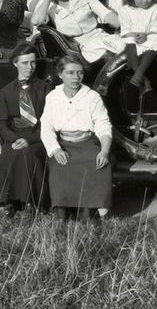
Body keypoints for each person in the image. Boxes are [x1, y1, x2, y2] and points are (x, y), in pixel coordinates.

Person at [40, 56, 113, 220]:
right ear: (60, 74)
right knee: (59, 166)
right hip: (64, 143)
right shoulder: (53, 96)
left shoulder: (91, 96)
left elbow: (103, 124)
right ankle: (62, 212)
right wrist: (56, 149)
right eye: (70, 73)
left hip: (87, 142)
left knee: (97, 163)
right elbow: (46, 127)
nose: (76, 77)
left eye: (79, 73)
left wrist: (104, 150)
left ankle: (89, 210)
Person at [0, 43, 52, 217]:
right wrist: (14, 139)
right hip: (15, 136)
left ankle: (30, 202)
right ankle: (6, 203)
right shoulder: (7, 91)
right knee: (8, 157)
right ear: (15, 63)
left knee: (29, 154)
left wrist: (30, 139)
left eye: (32, 63)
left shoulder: (44, 88)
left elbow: (49, 120)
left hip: (39, 136)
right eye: (24, 63)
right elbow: (2, 122)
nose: (29, 67)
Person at [30, 0, 124, 63]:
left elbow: (106, 14)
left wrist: (126, 27)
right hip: (78, 46)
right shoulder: (48, 7)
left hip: (100, 36)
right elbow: (35, 21)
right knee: (105, 57)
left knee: (127, 47)